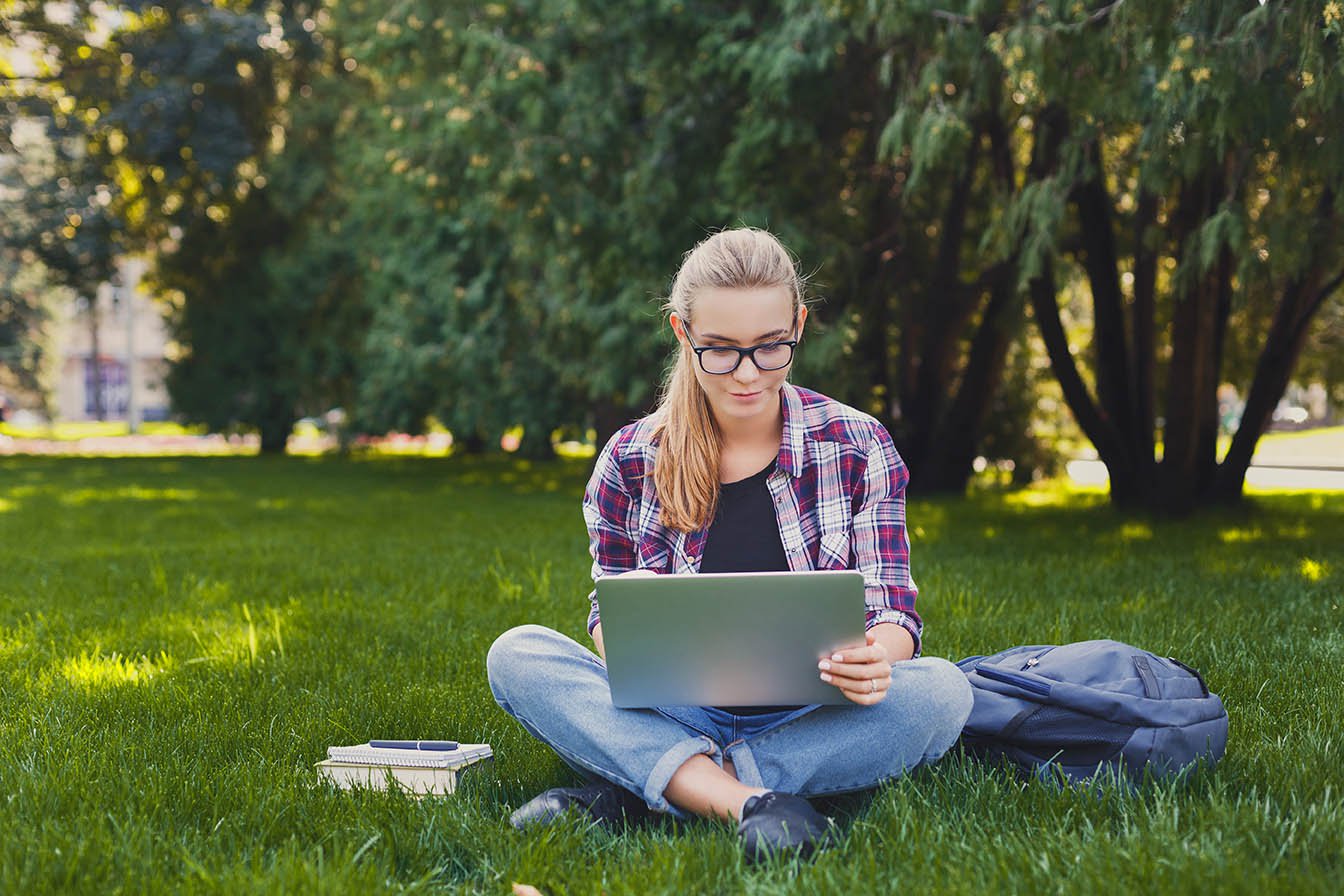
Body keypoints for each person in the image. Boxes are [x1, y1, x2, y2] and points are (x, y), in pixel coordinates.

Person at [487, 227, 973, 862]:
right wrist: (636, 652)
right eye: (719, 349)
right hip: (677, 710)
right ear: (682, 333)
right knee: (517, 654)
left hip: (812, 716)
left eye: (771, 347)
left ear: (799, 323)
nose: (748, 374)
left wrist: (877, 657)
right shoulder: (631, 459)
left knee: (943, 690)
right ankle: (750, 803)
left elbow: (894, 614)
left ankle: (651, 789)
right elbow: (611, 616)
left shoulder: (858, 444)